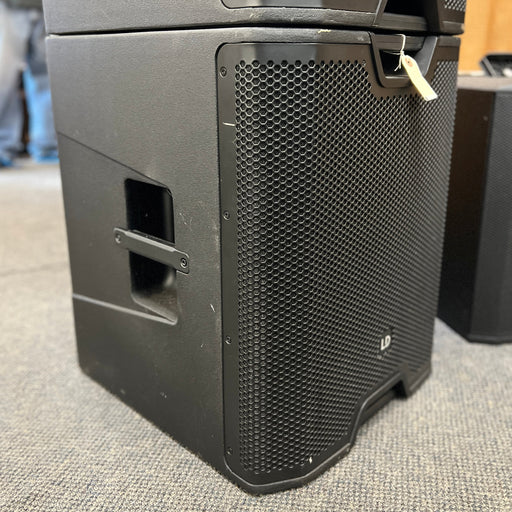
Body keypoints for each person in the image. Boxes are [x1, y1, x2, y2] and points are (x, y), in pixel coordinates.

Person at [0, 0, 58, 167]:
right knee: (4, 78)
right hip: (9, 6)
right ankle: (3, 148)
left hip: (47, 7)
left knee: (47, 78)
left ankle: (48, 146)